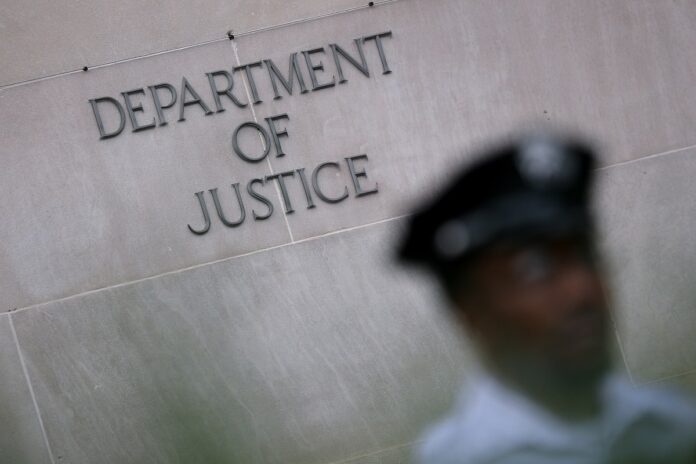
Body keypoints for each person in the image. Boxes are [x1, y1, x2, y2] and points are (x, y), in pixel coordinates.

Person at [398, 136, 696, 463]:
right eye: (534, 269)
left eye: (585, 254)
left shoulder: (674, 428)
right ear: (469, 310)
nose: (581, 290)